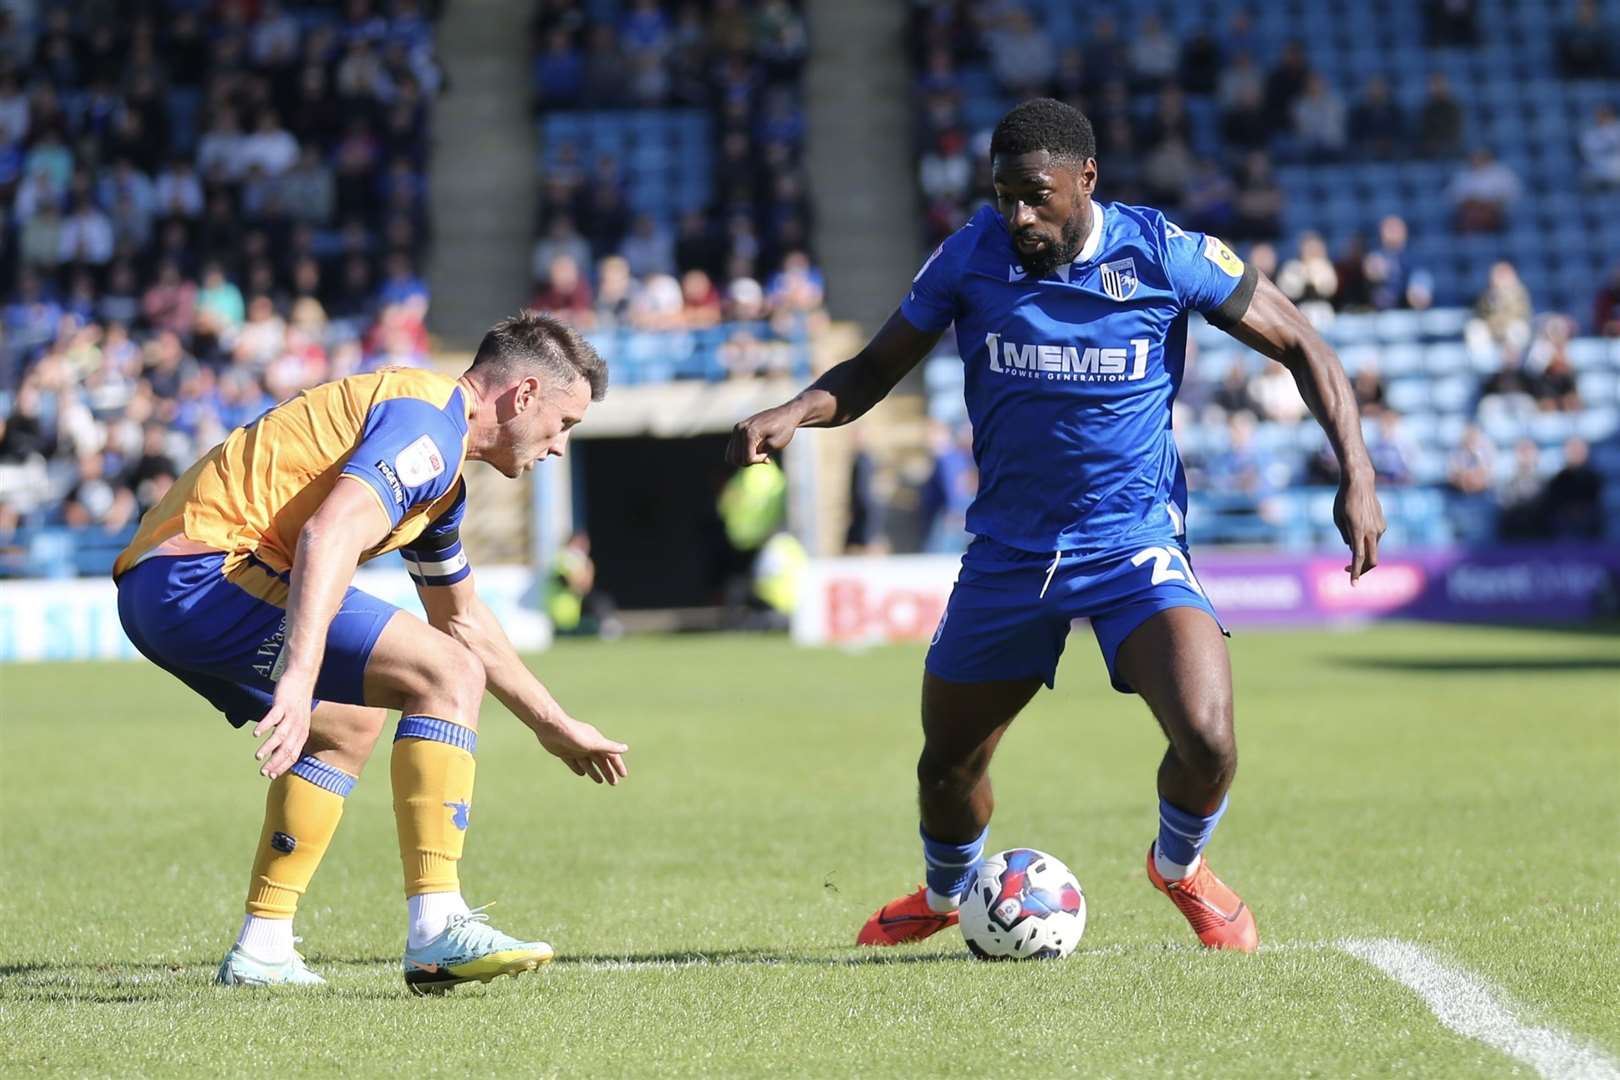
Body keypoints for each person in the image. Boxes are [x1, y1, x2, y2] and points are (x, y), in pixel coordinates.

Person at [728, 99, 1384, 955]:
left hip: (1133, 545)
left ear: (1087, 180)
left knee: (1210, 738)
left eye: (1035, 196)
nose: (1017, 215)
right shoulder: (971, 254)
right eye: (1003, 196)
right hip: (1011, 554)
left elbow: (1306, 345)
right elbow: (873, 369)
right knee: (946, 768)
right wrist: (798, 409)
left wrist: (1357, 476)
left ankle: (1180, 868)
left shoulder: (1162, 253)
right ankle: (943, 891)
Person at [111, 311, 629, 992]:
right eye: (565, 425)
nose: (559, 447)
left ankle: (263, 947)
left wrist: (552, 724)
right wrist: (299, 677)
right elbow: (329, 535)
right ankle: (438, 925)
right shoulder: (428, 427)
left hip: (161, 588)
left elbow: (463, 617)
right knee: (445, 676)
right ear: (524, 394)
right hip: (203, 574)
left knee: (351, 721)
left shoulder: (439, 474)